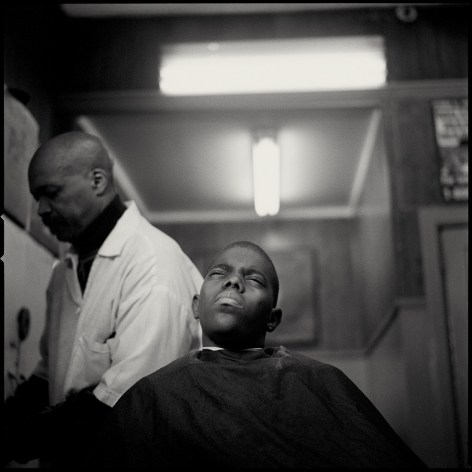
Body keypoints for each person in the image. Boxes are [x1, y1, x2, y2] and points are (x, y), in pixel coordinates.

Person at [89, 240, 427, 468]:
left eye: (254, 279)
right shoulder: (153, 395)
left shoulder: (320, 381)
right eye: (219, 273)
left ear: (273, 319)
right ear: (196, 306)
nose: (233, 282)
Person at [3, 131, 203, 467]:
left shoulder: (153, 264)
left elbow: (127, 401)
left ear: (97, 181)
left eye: (50, 194)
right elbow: (49, 375)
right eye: (36, 197)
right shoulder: (64, 269)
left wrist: (18, 440)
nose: (40, 210)